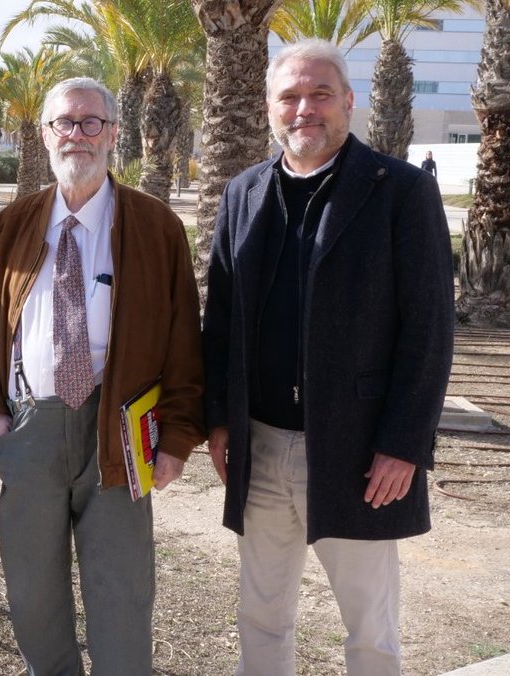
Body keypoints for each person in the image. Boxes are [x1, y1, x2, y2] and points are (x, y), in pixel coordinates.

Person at [202, 39, 454, 675]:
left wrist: (404, 443)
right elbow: (222, 318)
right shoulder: (244, 192)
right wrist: (220, 419)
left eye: (319, 94)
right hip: (259, 445)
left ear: (348, 100)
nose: (304, 109)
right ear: (269, 107)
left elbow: (428, 328)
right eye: (289, 96)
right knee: (261, 614)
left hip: (358, 452)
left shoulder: (400, 191)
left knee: (370, 628)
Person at [0, 77, 205, 675]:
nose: (77, 134)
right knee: (32, 596)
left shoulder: (156, 226)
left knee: (122, 596)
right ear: (46, 135)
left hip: (118, 433)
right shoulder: (12, 225)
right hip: (29, 429)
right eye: (64, 123)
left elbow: (184, 340)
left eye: (90, 122)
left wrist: (176, 440)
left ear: (114, 133)